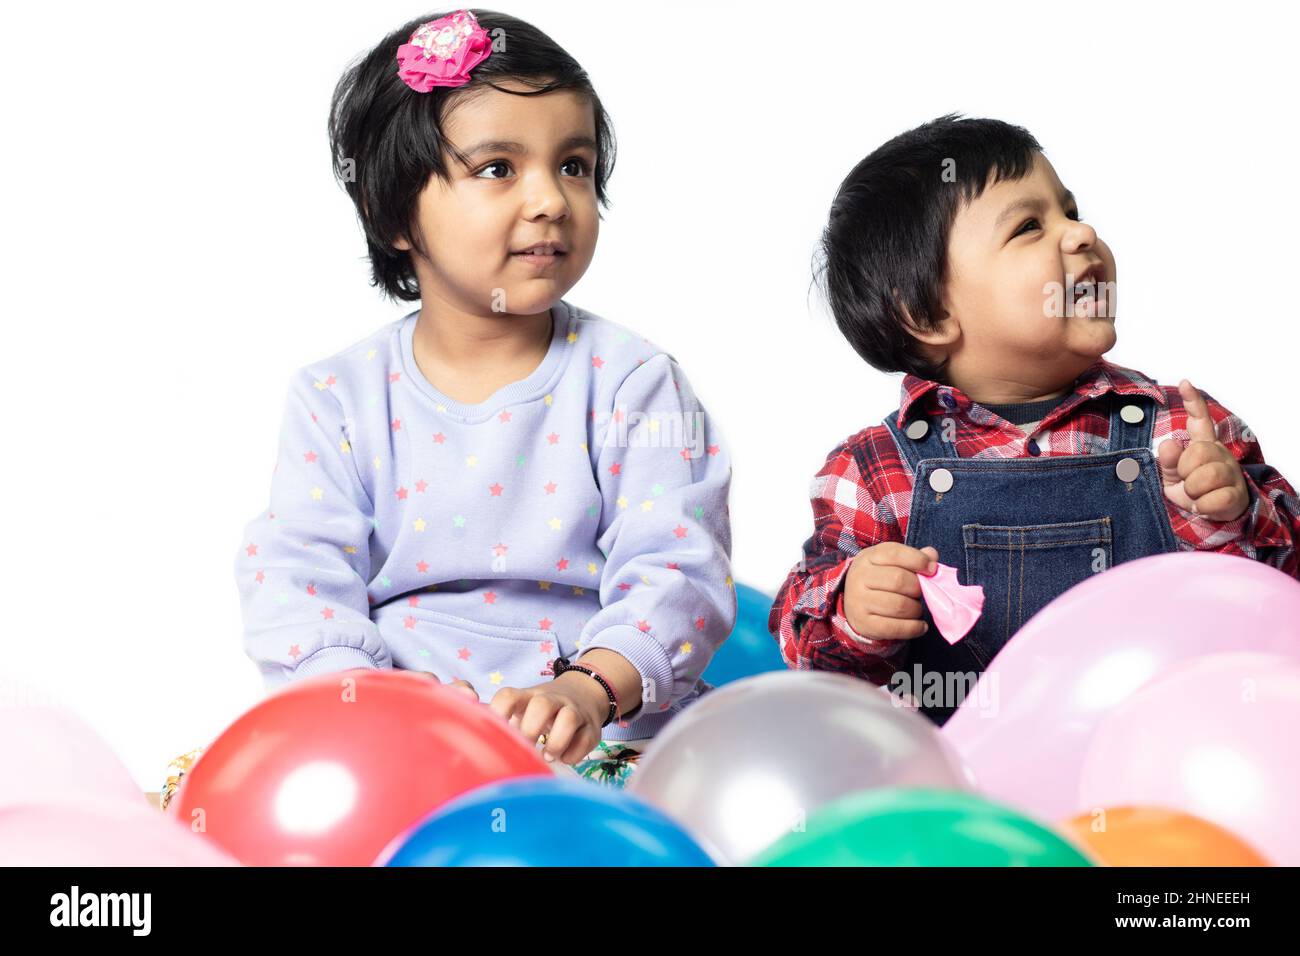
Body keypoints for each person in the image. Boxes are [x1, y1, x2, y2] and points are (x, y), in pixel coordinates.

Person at [228, 9, 734, 783]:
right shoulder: (337, 397)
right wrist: (374, 703)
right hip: (402, 741)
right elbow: (298, 580)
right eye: (499, 168)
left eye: (575, 165)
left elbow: (679, 565)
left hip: (606, 736)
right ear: (392, 210)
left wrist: (589, 685)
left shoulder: (635, 380)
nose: (552, 200)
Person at [771, 114, 1300, 725]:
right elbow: (809, 657)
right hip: (971, 799)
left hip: (1153, 776)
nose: (1082, 233)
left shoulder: (1180, 429)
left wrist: (1236, 513)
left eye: (1070, 211)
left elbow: (1277, 609)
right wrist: (853, 611)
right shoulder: (873, 472)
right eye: (1029, 226)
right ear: (927, 313)